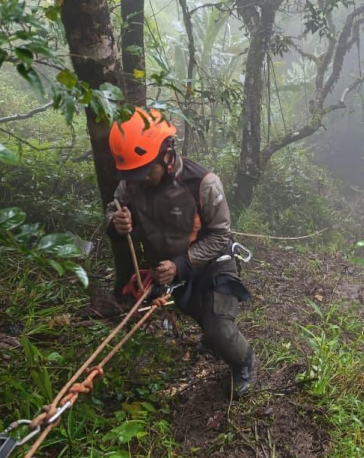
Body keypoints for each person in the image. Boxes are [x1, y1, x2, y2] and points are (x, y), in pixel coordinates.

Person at [106, 108, 258, 398]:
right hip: (171, 270)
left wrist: (182, 264)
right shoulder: (131, 183)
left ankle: (244, 360)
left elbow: (220, 235)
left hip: (213, 265)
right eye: (134, 174)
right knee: (197, 312)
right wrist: (116, 222)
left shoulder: (204, 184)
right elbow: (114, 208)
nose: (140, 179)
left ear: (167, 153)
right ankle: (213, 337)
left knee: (219, 329)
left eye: (146, 170)